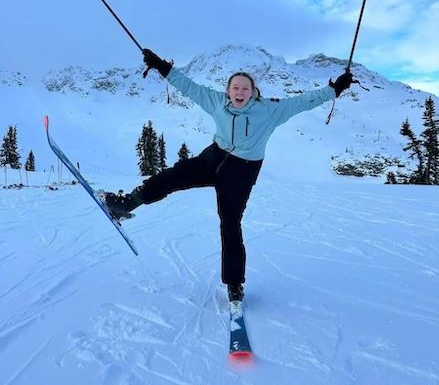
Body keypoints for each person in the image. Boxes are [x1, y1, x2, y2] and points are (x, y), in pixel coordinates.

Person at [104, 49, 352, 301]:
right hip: (213, 158)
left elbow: (303, 102)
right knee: (171, 177)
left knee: (230, 222)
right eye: (235, 88)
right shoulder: (217, 102)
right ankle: (127, 205)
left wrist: (334, 90)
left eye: (245, 88)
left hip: (242, 171)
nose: (240, 93)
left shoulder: (270, 110)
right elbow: (188, 87)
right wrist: (162, 67)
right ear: (228, 90)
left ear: (254, 92)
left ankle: (234, 284)